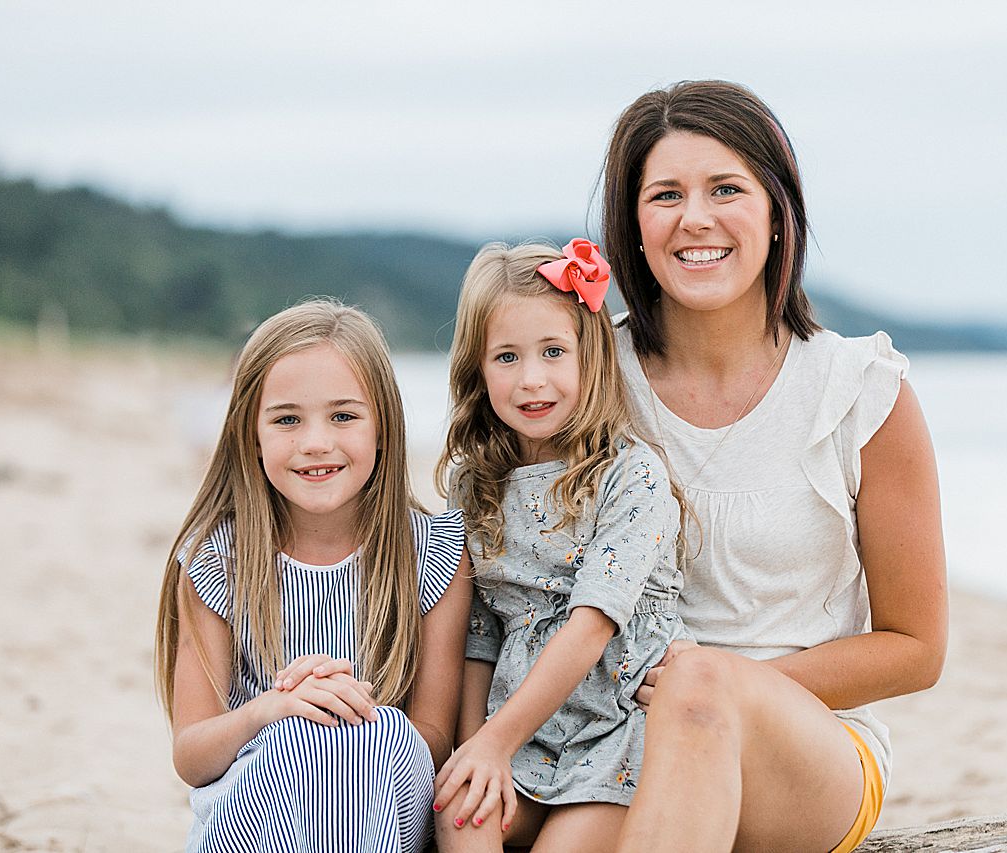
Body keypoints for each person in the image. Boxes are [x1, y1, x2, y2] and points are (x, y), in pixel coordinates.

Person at [602, 81, 949, 852]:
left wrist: (719, 690)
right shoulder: (590, 380)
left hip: (812, 750)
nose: (696, 218)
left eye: (726, 188)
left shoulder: (863, 393)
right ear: (633, 222)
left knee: (698, 687)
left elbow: (917, 646)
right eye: (666, 194)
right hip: (607, 740)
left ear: (776, 210)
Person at [154, 298, 472, 853]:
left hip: (383, 806)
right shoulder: (217, 560)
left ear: (384, 427)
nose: (315, 442)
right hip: (255, 808)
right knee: (296, 735)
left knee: (368, 737)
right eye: (286, 419)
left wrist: (350, 713)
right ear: (250, 433)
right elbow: (192, 755)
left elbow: (436, 738)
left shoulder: (435, 553)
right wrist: (272, 710)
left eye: (344, 416)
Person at [429, 240, 688, 852]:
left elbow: (593, 626)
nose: (532, 379)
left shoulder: (631, 476)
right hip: (515, 738)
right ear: (477, 368)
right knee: (460, 815)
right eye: (507, 357)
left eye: (553, 352)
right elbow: (480, 632)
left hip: (616, 739)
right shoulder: (475, 483)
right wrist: (477, 751)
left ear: (590, 357)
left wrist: (498, 740)